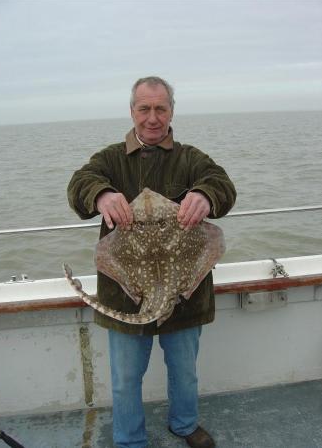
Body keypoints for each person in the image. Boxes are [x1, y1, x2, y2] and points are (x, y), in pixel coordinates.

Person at [67, 76, 236, 448]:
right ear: (132, 111)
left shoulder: (191, 159)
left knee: (184, 371)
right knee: (126, 376)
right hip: (126, 291)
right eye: (144, 108)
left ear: (171, 111)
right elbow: (79, 183)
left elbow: (223, 184)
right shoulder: (109, 160)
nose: (153, 117)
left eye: (160, 108)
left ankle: (185, 424)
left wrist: (207, 195)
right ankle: (129, 440)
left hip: (184, 290)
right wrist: (101, 194)